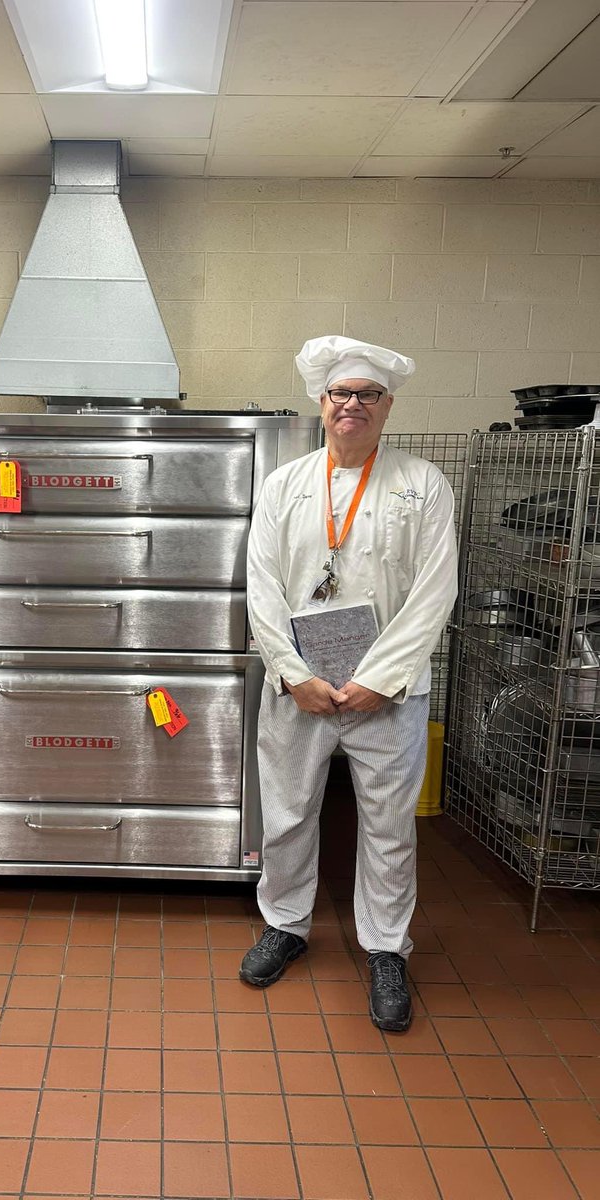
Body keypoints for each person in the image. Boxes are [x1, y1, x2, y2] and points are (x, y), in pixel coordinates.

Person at [240, 335, 458, 1032]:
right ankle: (285, 925)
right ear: (322, 403)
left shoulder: (423, 484)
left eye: (367, 394)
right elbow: (261, 588)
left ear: (388, 406)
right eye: (341, 393)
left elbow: (435, 591)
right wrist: (293, 673)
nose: (352, 405)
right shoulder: (285, 485)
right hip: (299, 690)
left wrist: (381, 679)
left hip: (386, 694)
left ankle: (387, 948)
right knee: (288, 814)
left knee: (390, 829)